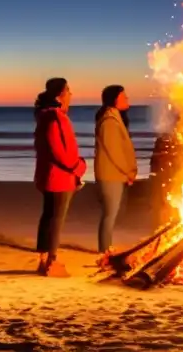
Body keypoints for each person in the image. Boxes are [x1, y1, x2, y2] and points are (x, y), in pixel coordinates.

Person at [33, 77, 86, 277]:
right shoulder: (56, 118)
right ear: (59, 95)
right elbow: (61, 152)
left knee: (48, 217)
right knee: (56, 220)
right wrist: (79, 167)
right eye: (68, 90)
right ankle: (51, 263)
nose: (71, 94)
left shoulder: (44, 117)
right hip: (60, 178)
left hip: (48, 175)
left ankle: (42, 260)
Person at [94, 84, 137, 268]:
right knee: (109, 215)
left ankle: (106, 249)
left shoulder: (115, 117)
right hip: (111, 174)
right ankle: (104, 253)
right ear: (114, 100)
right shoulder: (109, 121)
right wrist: (127, 171)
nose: (127, 100)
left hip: (114, 174)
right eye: (124, 97)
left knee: (111, 214)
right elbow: (114, 152)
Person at [149, 111, 183, 228]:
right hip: (165, 177)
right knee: (163, 203)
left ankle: (172, 226)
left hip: (176, 177)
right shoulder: (166, 140)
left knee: (172, 203)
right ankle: (165, 227)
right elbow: (155, 160)